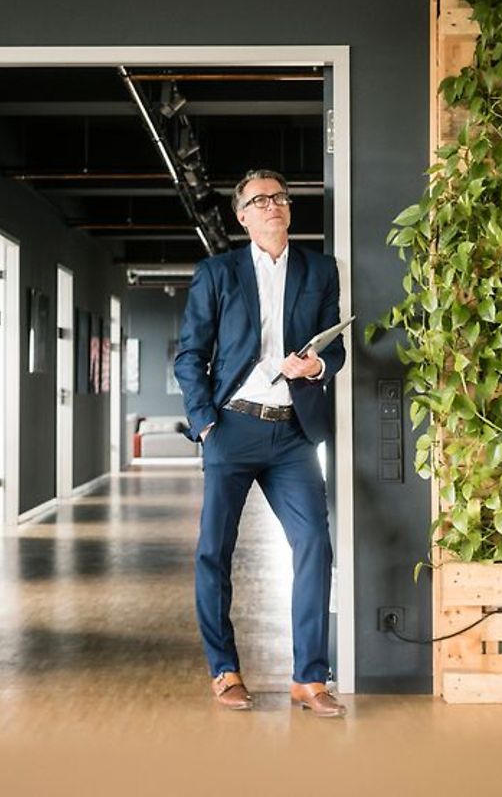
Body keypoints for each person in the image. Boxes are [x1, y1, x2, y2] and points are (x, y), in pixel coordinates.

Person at [174, 168, 347, 719]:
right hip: (232, 427)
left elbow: (334, 349)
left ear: (289, 209)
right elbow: (189, 356)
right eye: (259, 200)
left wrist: (317, 362)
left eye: (279, 197)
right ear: (242, 215)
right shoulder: (217, 273)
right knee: (214, 553)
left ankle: (309, 679)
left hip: (293, 432)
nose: (272, 205)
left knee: (315, 546)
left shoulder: (321, 271)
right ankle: (224, 671)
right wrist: (205, 424)